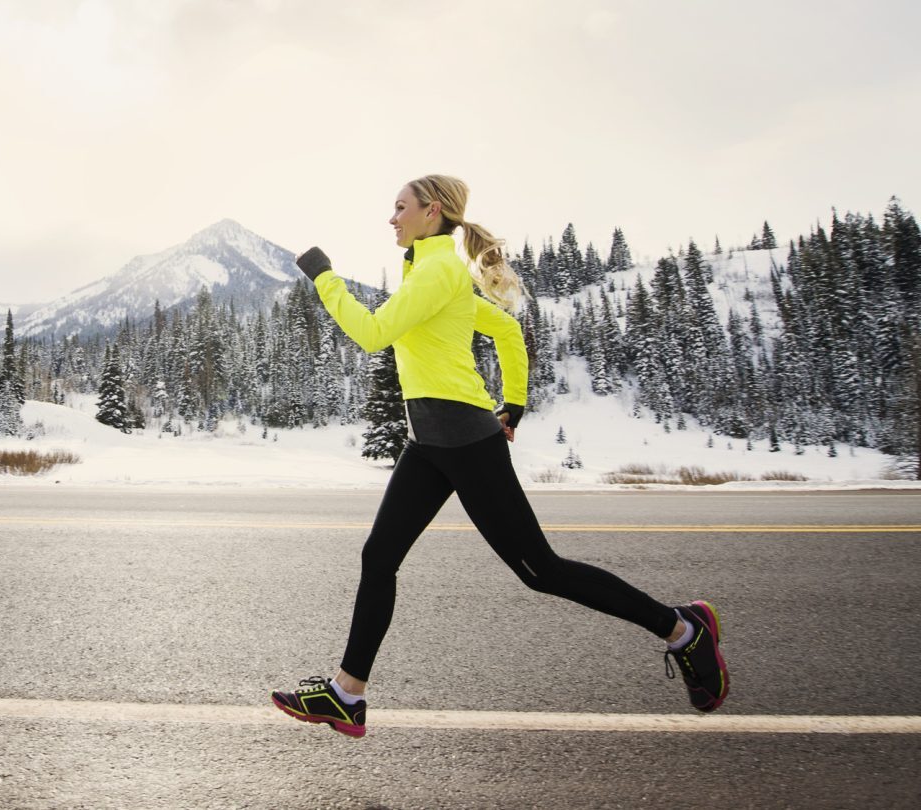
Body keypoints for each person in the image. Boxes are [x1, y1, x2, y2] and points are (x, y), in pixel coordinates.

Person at [269, 174, 728, 739]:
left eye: (400, 207)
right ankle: (348, 694)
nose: (392, 218)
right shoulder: (428, 271)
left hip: (465, 441)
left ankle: (682, 630)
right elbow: (507, 329)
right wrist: (514, 402)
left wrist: (325, 276)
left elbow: (372, 333)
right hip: (428, 443)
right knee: (379, 557)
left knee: (541, 571)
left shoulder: (437, 270)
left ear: (431, 212)